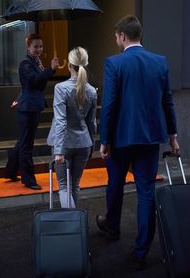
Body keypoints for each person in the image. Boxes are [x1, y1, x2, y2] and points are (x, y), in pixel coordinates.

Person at [96, 15, 180, 270]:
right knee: (145, 192)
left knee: (116, 184)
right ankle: (141, 251)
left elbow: (109, 105)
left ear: (122, 36)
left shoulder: (114, 63)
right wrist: (173, 136)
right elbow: (167, 101)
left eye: (116, 37)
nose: (116, 41)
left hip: (121, 138)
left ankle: (112, 227)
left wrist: (104, 139)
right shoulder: (159, 62)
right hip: (150, 138)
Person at [5, 33, 59, 190]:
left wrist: (49, 70)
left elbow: (39, 81)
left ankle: (10, 171)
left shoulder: (36, 62)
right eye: (35, 46)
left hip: (33, 106)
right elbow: (35, 81)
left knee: (23, 141)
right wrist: (51, 70)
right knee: (27, 144)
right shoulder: (25, 64)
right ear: (28, 46)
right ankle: (28, 180)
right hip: (27, 107)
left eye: (41, 46)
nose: (39, 49)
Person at [47, 47, 97, 208]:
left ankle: (73, 227)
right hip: (84, 143)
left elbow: (61, 121)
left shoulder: (61, 88)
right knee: (75, 185)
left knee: (63, 186)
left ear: (69, 65)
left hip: (64, 144)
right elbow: (92, 122)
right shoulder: (91, 90)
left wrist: (59, 150)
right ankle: (77, 225)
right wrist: (92, 147)